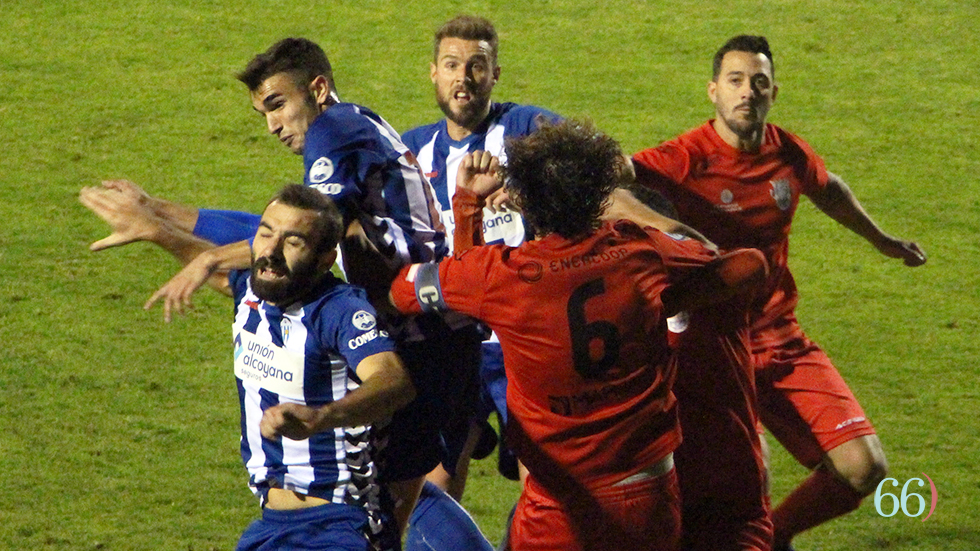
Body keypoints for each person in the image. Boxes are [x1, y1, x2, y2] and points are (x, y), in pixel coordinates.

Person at [79, 37, 490, 547]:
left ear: (317, 90)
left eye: (278, 105)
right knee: (395, 493)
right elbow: (279, 230)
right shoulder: (351, 122)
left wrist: (196, 249)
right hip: (435, 328)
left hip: (421, 337)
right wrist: (160, 212)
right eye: (263, 112)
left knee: (383, 504)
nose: (273, 125)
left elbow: (304, 235)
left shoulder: (332, 131)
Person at [389, 119, 769, 551]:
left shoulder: (504, 275)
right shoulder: (637, 252)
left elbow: (405, 292)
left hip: (559, 507)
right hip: (649, 495)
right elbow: (749, 263)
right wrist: (671, 302)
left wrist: (469, 204)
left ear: (527, 201)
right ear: (596, 194)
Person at [627, 35, 927, 550]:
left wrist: (884, 241)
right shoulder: (684, 158)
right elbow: (615, 182)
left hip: (780, 340)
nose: (747, 91)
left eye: (758, 82)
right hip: (710, 352)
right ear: (713, 91)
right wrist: (663, 224)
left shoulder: (786, 151)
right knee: (739, 487)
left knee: (864, 468)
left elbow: (828, 187)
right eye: (736, 81)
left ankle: (775, 537)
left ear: (773, 92)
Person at [167, 184, 415, 551]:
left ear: (324, 259)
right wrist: (152, 228)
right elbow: (220, 275)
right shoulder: (255, 294)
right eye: (265, 233)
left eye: (293, 241)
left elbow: (394, 380)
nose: (271, 251)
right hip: (271, 525)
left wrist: (322, 418)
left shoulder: (338, 310)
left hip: (339, 525)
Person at [400, 14, 561, 502]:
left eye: (476, 65)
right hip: (447, 341)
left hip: (518, 341)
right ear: (433, 72)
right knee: (431, 491)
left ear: (495, 75)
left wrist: (527, 191)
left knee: (546, 484)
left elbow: (599, 166)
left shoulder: (525, 128)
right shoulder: (409, 150)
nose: (463, 78)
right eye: (452, 65)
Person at [626, 183, 772, 550]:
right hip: (657, 503)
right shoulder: (615, 306)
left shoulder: (720, 295)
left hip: (724, 506)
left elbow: (747, 261)